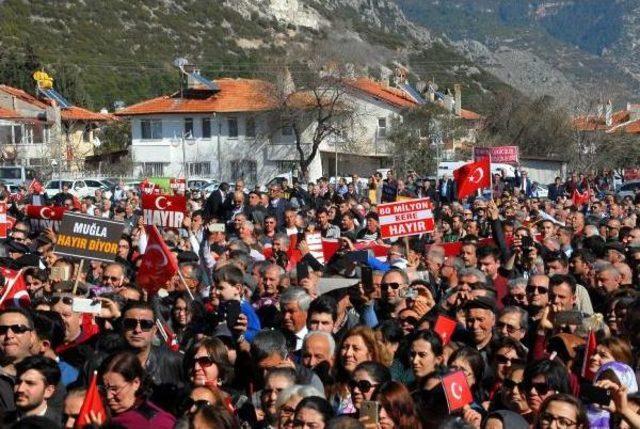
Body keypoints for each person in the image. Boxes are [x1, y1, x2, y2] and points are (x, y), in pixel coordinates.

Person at [99, 351, 176, 428]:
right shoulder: (99, 412)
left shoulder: (156, 422)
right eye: (104, 389)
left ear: (136, 383)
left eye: (115, 389)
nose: (108, 396)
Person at [3, 355, 61, 425]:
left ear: (48, 391)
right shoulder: (2, 421)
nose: (20, 389)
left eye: (30, 383)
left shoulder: (61, 425)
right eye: (18, 382)